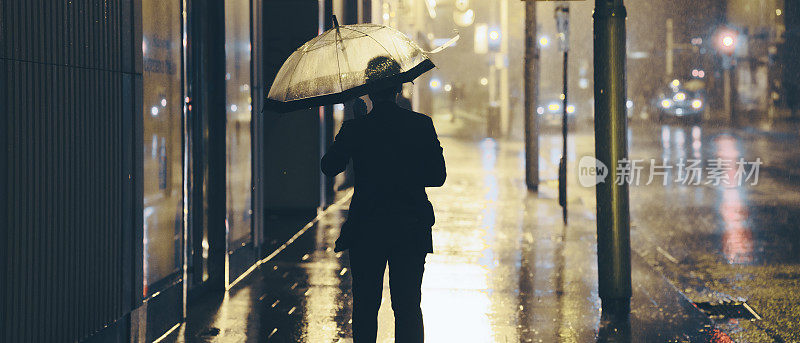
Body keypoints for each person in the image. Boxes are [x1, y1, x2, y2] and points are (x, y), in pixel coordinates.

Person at [321, 56, 446, 343]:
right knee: (408, 308)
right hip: (410, 225)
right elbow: (437, 175)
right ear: (399, 87)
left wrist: (352, 126)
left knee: (365, 306)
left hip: (368, 227)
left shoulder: (358, 129)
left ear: (368, 89)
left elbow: (330, 167)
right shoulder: (421, 125)